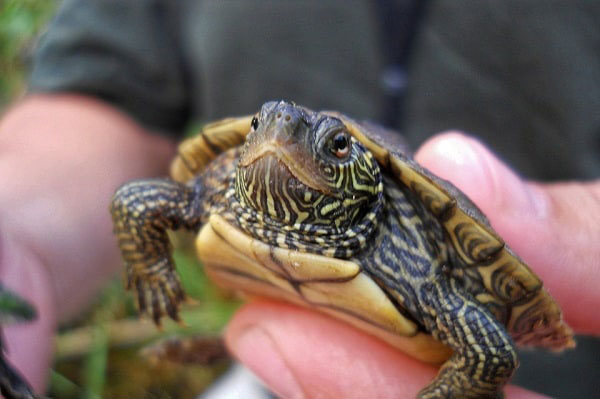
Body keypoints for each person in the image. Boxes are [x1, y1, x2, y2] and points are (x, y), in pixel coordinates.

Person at [1, 0, 598, 397]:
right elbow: (124, 163)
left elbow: (491, 353)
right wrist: (16, 236)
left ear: (362, 176)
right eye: (264, 125)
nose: (278, 136)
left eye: (334, 148)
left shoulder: (409, 239)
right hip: (263, 361)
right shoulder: (225, 184)